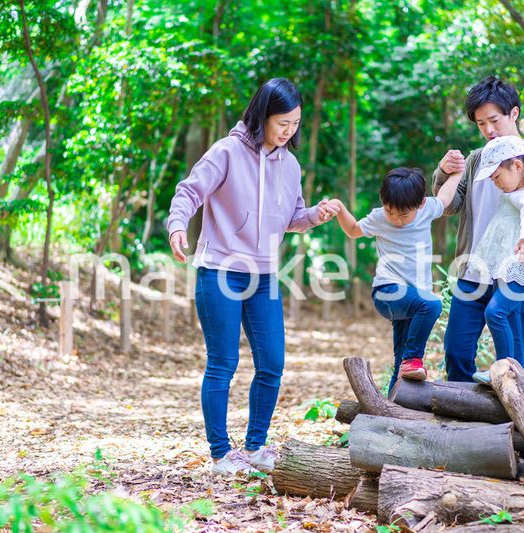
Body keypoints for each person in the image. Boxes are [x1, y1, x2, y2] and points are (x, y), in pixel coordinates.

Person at [166, 78, 339, 476]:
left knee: (272, 363)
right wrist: (178, 225)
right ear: (262, 116)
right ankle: (221, 453)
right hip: (220, 270)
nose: (289, 131)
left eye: (295, 124)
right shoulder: (227, 152)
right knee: (223, 364)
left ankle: (257, 446)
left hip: (264, 276)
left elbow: (292, 218)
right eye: (283, 123)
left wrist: (315, 214)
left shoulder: (290, 164)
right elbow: (189, 192)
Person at [432, 76, 524, 383]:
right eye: (481, 124)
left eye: (494, 120)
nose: (489, 130)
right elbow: (450, 205)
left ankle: (517, 423)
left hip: (516, 271)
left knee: (514, 355)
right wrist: (443, 172)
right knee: (456, 351)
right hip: (474, 268)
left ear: (514, 114)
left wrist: (522, 156)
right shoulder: (477, 159)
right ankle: (462, 421)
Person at [328, 165, 464, 393]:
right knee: (432, 304)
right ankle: (414, 359)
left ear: (419, 204)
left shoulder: (427, 209)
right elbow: (352, 230)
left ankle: (392, 409)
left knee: (401, 366)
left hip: (412, 299)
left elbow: (445, 197)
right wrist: (340, 207)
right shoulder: (379, 218)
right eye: (390, 211)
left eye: (403, 214)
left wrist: (457, 174)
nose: (396, 219)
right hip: (387, 291)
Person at [463, 136, 524, 384]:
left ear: (518, 166)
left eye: (497, 176)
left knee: (496, 312)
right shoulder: (514, 193)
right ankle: (519, 378)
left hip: (519, 270)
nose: (495, 183)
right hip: (506, 270)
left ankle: (504, 370)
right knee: (514, 327)